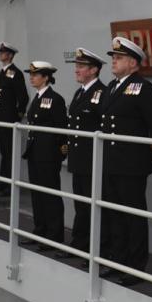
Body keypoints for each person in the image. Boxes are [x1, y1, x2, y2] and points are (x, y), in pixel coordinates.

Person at [99, 37, 152, 285]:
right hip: (111, 162)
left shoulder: (143, 88)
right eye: (113, 58)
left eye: (118, 58)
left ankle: (136, 267)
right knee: (115, 214)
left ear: (133, 63)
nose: (113, 62)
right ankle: (118, 261)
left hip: (131, 164)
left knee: (133, 216)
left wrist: (149, 153)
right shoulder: (111, 87)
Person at [61, 48, 108, 257]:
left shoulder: (101, 93)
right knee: (80, 203)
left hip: (92, 159)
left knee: (91, 204)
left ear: (94, 70)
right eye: (77, 66)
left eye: (81, 67)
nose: (76, 70)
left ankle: (92, 246)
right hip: (79, 158)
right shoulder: (80, 92)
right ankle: (80, 243)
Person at [20, 62, 68, 251]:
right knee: (37, 194)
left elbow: (61, 127)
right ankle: (40, 230)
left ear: (46, 77)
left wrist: (61, 150)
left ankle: (54, 236)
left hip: (49, 155)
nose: (32, 77)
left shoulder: (55, 99)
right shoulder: (38, 97)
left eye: (36, 74)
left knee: (50, 195)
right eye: (31, 74)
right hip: (35, 152)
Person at [0, 43, 30, 193]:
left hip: (8, 119)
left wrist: (17, 116)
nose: (0, 54)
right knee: (3, 151)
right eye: (0, 51)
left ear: (10, 55)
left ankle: (9, 185)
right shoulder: (3, 72)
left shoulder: (14, 72)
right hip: (0, 119)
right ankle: (2, 182)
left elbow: (23, 97)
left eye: (4, 52)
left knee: (9, 153)